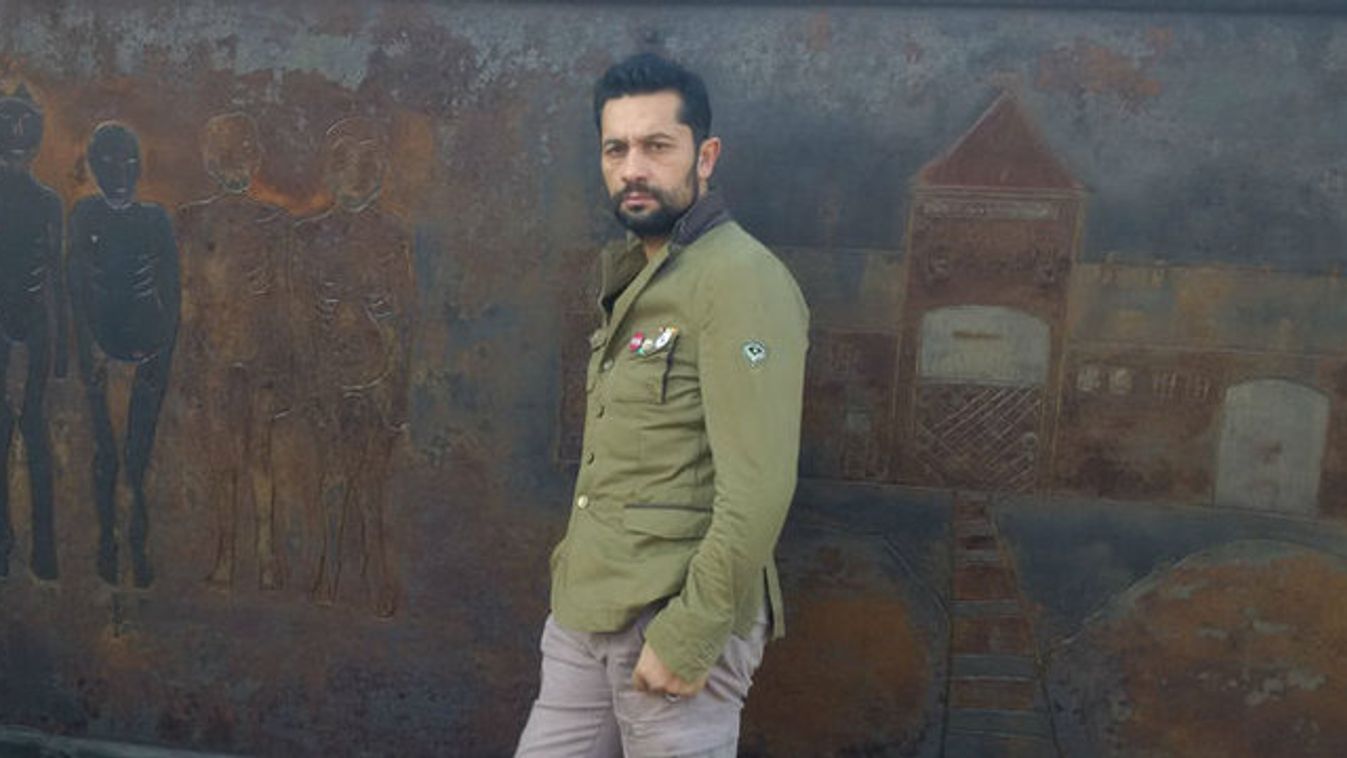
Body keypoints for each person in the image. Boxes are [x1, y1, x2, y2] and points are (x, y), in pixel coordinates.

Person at [516, 52, 809, 756]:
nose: (633, 168)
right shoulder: (638, 273)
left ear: (704, 157)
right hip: (589, 610)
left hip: (671, 617)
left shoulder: (740, 280)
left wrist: (691, 632)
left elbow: (760, 485)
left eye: (656, 146)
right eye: (615, 149)